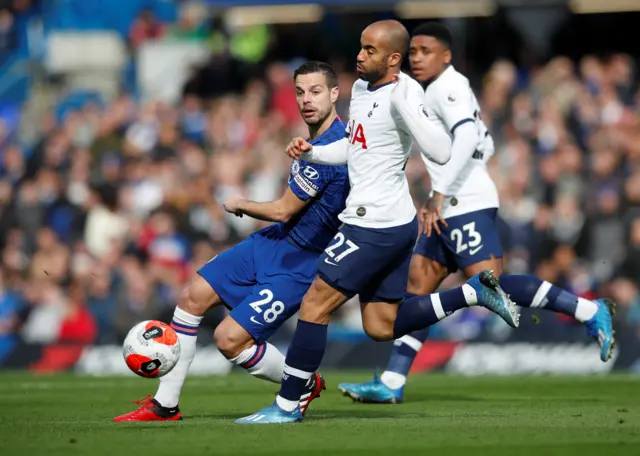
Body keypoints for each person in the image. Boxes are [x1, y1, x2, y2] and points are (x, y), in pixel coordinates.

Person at [237, 20, 519, 425]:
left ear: (393, 59)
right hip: (392, 222)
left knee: (315, 305)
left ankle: (285, 406)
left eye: (369, 50)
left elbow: (441, 151)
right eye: (360, 47)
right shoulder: (363, 88)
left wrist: (419, 115)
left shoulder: (404, 92)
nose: (359, 55)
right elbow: (355, 148)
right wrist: (312, 154)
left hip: (373, 223)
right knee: (380, 324)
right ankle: (472, 294)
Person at [337, 22, 616, 405]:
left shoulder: (449, 87)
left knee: (491, 286)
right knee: (418, 291)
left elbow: (467, 137)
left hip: (464, 202)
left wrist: (438, 192)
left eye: (426, 51)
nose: (417, 58)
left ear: (446, 55)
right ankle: (392, 380)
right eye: (413, 51)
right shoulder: (427, 89)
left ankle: (588, 309)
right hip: (446, 208)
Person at [113, 61, 351, 422]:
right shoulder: (312, 142)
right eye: (300, 92)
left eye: (316, 91)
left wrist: (240, 203)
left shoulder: (336, 148)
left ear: (335, 94)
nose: (306, 99)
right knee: (193, 294)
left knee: (229, 340)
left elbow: (284, 210)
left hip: (301, 261)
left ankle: (299, 382)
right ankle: (165, 405)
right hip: (272, 242)